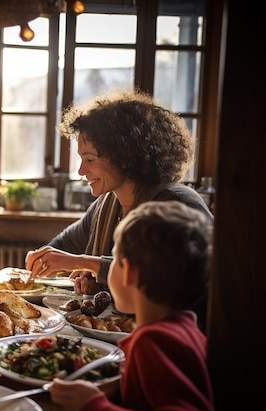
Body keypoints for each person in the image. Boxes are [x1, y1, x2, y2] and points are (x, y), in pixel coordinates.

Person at [47, 201, 231, 411]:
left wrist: (94, 409)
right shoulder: (185, 328)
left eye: (114, 259)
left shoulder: (155, 342)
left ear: (129, 271)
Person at [26, 90, 212, 298]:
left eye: (89, 160)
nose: (80, 171)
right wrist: (43, 259)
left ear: (124, 157)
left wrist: (86, 263)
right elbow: (62, 245)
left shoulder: (176, 204)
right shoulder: (106, 204)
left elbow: (168, 277)